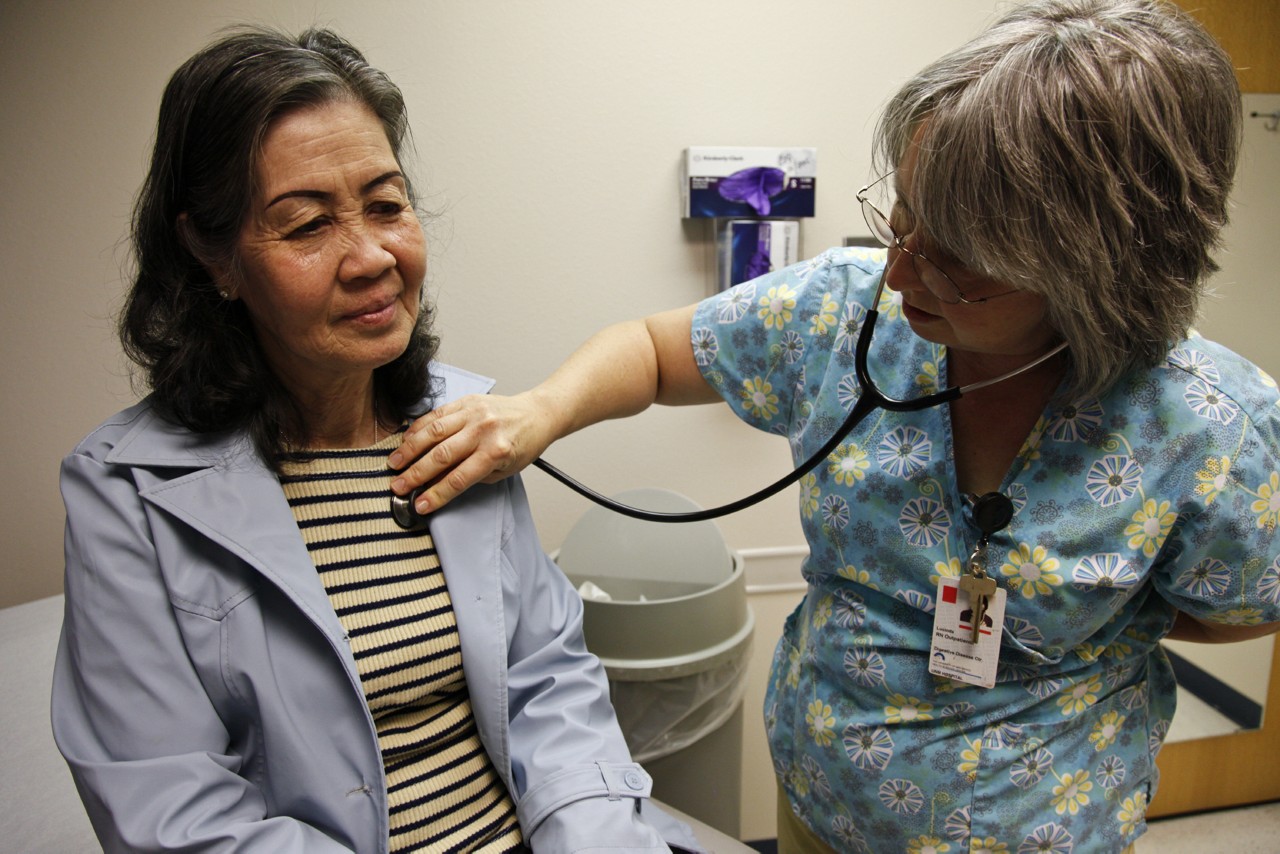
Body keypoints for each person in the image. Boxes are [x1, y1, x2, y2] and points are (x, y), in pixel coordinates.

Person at [388, 1, 1280, 851]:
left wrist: (1095, 623)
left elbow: (1247, 607)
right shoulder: (844, 318)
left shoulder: (1207, 430)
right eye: (900, 224)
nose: (898, 273)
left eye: (955, 259)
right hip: (819, 805)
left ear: (1098, 268)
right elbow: (656, 352)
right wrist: (542, 411)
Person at [51, 26, 703, 854]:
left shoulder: (463, 429)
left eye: (387, 206)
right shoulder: (128, 498)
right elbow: (175, 815)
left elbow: (550, 684)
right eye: (306, 225)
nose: (371, 257)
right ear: (211, 254)